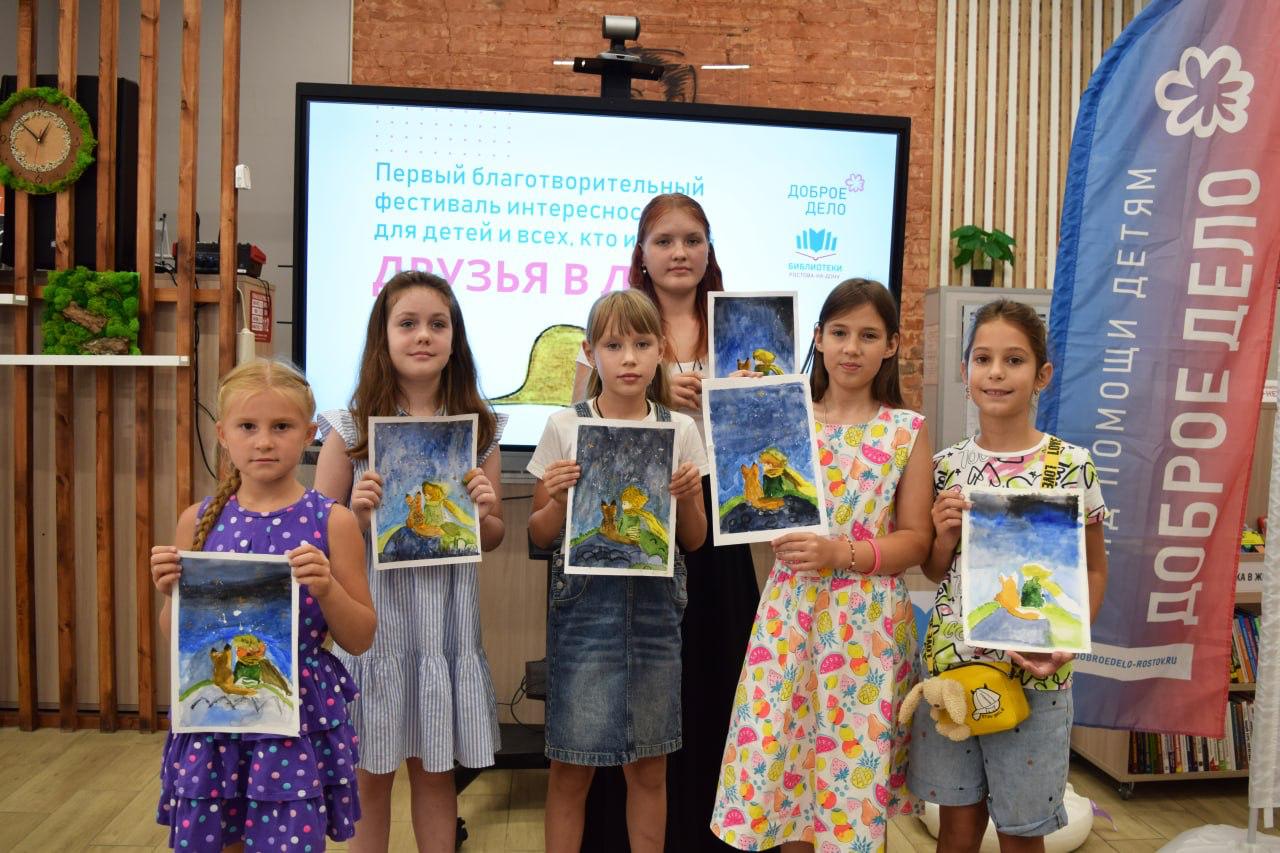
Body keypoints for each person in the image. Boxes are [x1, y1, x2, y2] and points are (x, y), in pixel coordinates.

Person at [710, 278, 933, 852]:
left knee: (850, 789)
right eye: (839, 333)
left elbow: (916, 541)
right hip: (791, 617)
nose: (851, 348)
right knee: (787, 778)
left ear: (891, 345)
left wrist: (843, 554)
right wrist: (744, 412)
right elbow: (745, 501)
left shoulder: (905, 429)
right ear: (817, 337)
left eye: (868, 335)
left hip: (867, 630)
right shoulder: (787, 418)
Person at [573, 192, 764, 850]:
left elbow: (770, 431)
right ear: (642, 253)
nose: (679, 252)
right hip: (636, 521)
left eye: (692, 239)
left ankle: (714, 831)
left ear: (709, 249)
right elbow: (582, 422)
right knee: (635, 683)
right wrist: (659, 396)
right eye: (664, 240)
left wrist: (737, 402)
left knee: (713, 670)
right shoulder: (617, 321)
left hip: (712, 517)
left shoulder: (740, 328)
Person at [312, 270, 506, 853]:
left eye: (437, 324)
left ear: (454, 339)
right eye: (408, 323)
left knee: (436, 773)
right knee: (370, 775)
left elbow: (492, 536)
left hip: (445, 629)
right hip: (376, 630)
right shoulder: (349, 430)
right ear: (384, 337)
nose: (423, 335)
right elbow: (319, 537)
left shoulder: (478, 431)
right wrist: (355, 515)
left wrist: (483, 512)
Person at [150, 357, 376, 852]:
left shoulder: (332, 521)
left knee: (288, 838)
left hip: (294, 715)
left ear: (309, 434)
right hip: (217, 717)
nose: (264, 441)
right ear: (222, 435)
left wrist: (327, 588)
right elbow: (179, 639)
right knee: (222, 836)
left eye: (282, 427)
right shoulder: (197, 520)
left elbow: (360, 637)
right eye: (248, 426)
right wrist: (172, 595)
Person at [910, 298, 1109, 853]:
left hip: (1038, 678)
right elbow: (934, 569)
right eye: (983, 359)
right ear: (966, 370)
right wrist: (942, 534)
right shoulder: (946, 466)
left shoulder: (1071, 465)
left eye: (1014, 360)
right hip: (954, 671)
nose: (996, 373)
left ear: (1042, 375)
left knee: (1023, 832)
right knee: (957, 827)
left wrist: (1068, 641)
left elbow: (1094, 568)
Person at [529, 288, 708, 853]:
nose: (629, 358)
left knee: (650, 767)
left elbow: (694, 540)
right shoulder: (565, 425)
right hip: (583, 618)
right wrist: (559, 500)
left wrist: (690, 498)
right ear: (591, 353)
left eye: (642, 344)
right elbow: (539, 533)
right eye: (613, 345)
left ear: (661, 352)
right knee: (570, 766)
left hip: (655, 620)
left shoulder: (681, 430)